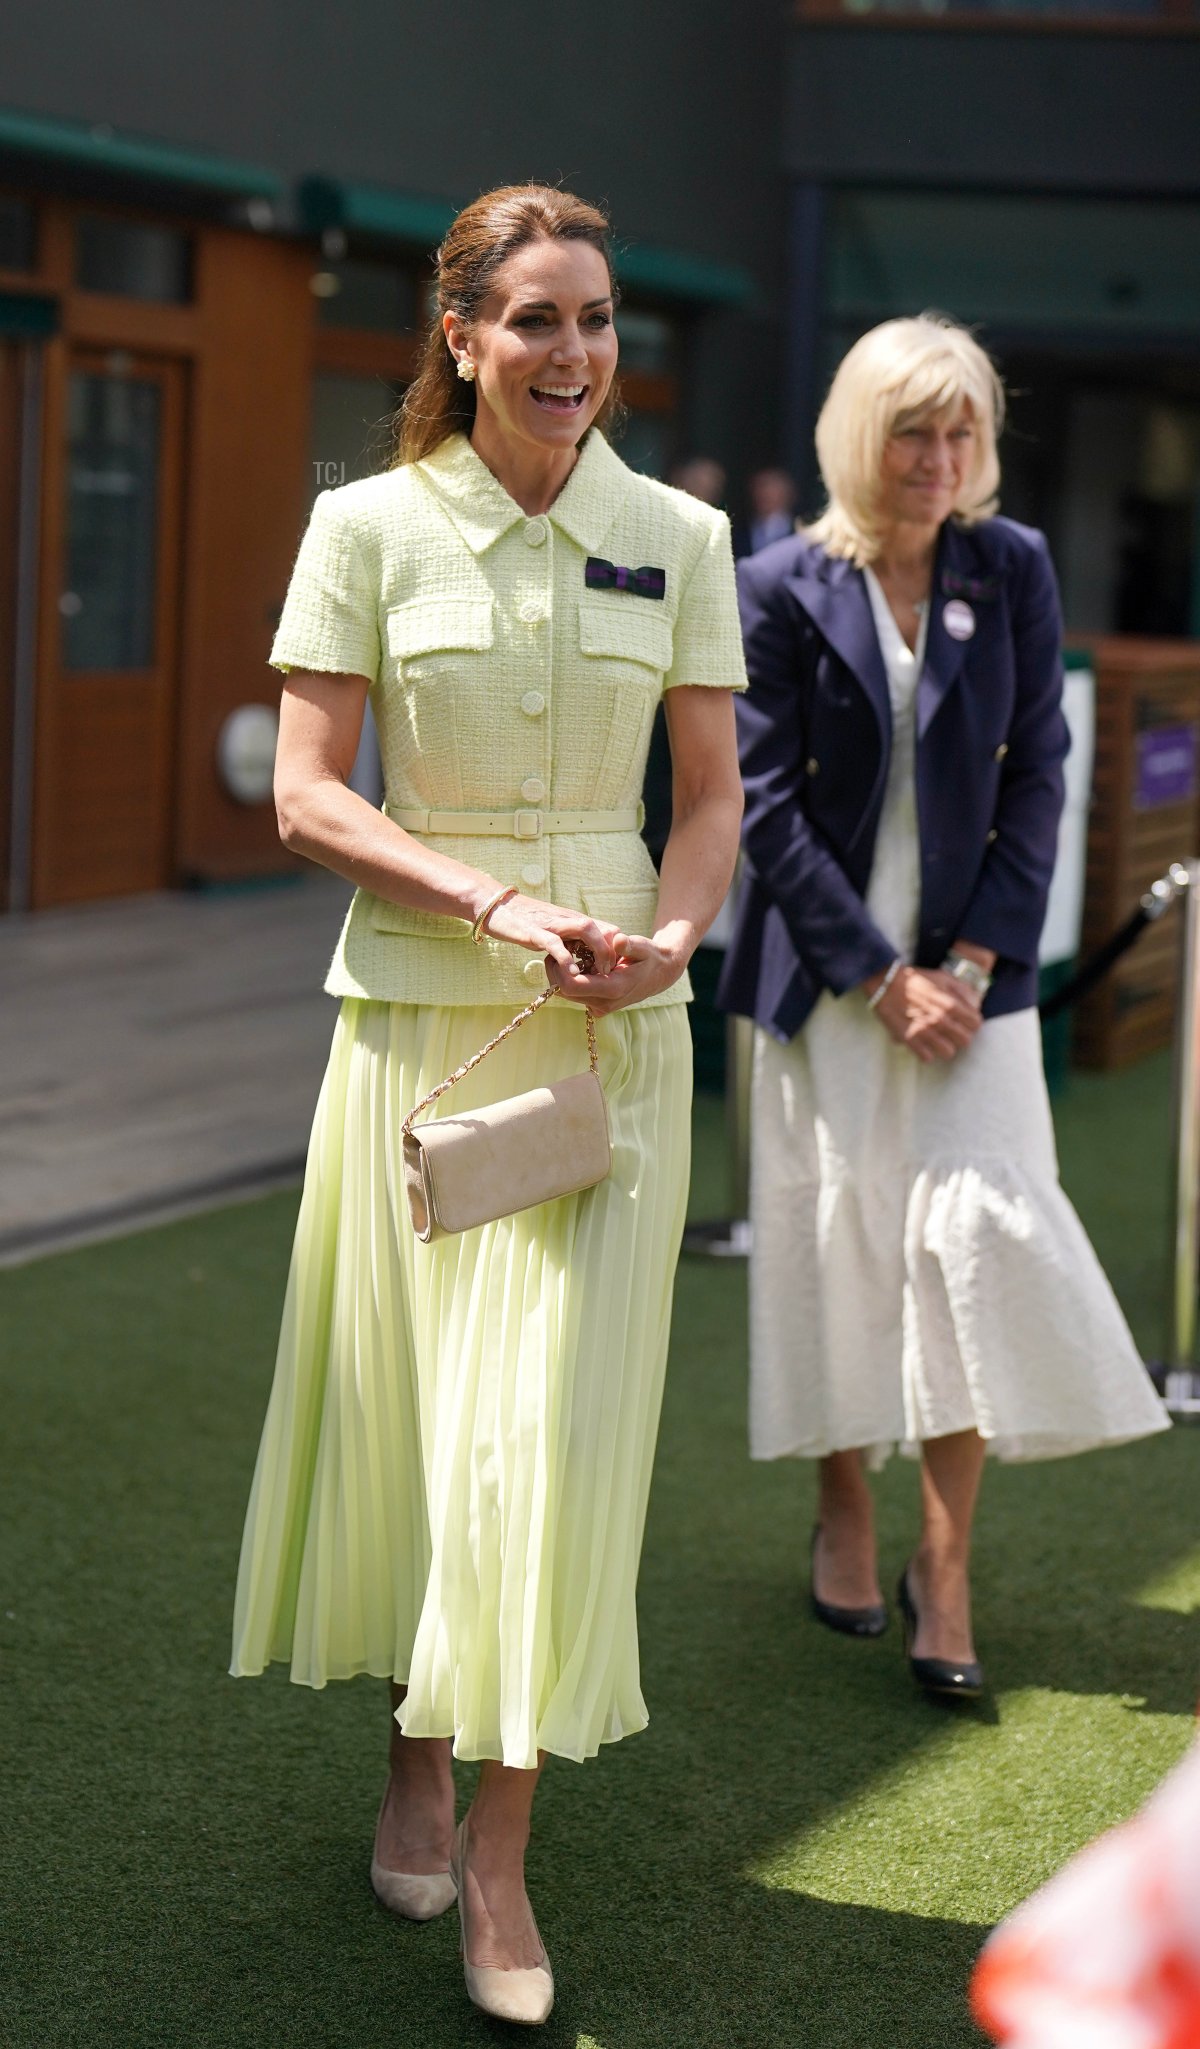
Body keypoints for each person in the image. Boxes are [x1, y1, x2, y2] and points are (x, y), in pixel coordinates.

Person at [229, 183, 746, 2026]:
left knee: (551, 1441)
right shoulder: (362, 526)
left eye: (595, 318)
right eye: (535, 318)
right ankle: (415, 1761)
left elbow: (706, 800)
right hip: (418, 1042)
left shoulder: (680, 533)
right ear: (459, 336)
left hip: (609, 1052)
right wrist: (493, 899)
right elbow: (304, 793)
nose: (574, 352)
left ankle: (503, 1860)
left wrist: (672, 935)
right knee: (431, 1437)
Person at [717, 314, 1168, 1699]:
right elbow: (763, 803)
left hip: (978, 993)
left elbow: (1041, 772)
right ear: (862, 436)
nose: (942, 455)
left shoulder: (1009, 565)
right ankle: (846, 1510)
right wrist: (876, 972)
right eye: (914, 428)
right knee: (835, 1245)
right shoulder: (777, 583)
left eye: (963, 429)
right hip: (829, 981)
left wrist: (968, 964)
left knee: (973, 1249)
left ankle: (948, 1563)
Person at [733, 466, 799, 559]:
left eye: (772, 487)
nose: (765, 494)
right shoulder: (737, 533)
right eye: (759, 487)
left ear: (788, 493)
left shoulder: (801, 532)